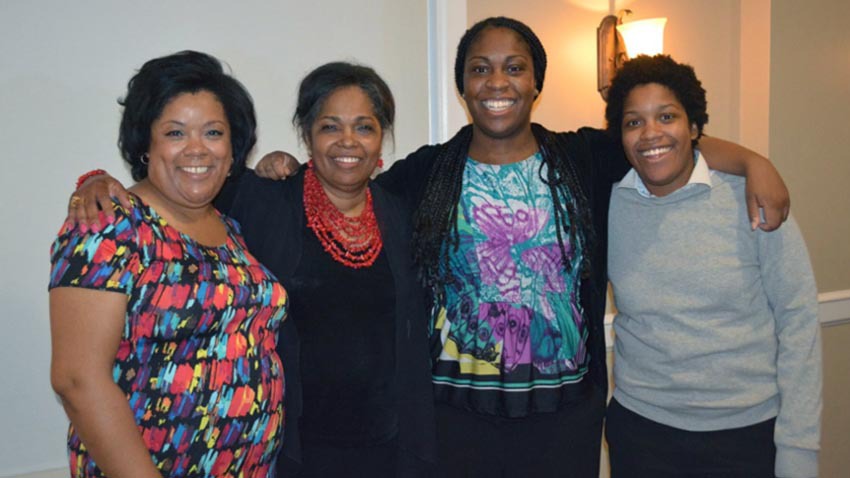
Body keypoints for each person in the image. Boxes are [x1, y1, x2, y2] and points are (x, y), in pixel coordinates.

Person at [71, 17, 790, 478]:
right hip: (449, 425)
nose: (497, 81)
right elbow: (206, 187)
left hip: (566, 423)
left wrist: (753, 158)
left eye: (513, 67)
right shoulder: (422, 173)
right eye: (480, 68)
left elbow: (659, 140)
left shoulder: (586, 157)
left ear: (536, 81)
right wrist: (106, 179)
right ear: (463, 85)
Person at [65, 62, 437, 477]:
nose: (347, 140)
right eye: (330, 126)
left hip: (344, 451)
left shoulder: (396, 212)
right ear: (307, 134)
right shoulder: (260, 200)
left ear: (381, 136)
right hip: (287, 454)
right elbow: (77, 378)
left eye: (364, 127)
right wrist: (95, 180)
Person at [48, 51, 287, 477]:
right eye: (175, 132)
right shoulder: (109, 226)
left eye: (213, 132)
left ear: (234, 149)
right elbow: (76, 379)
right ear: (146, 145)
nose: (197, 148)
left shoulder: (231, 231)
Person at [603, 54, 821, 478]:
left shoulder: (752, 198)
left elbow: (798, 320)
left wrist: (798, 446)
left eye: (667, 116)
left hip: (746, 434)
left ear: (695, 126)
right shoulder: (607, 203)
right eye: (634, 122)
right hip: (641, 433)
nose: (651, 134)